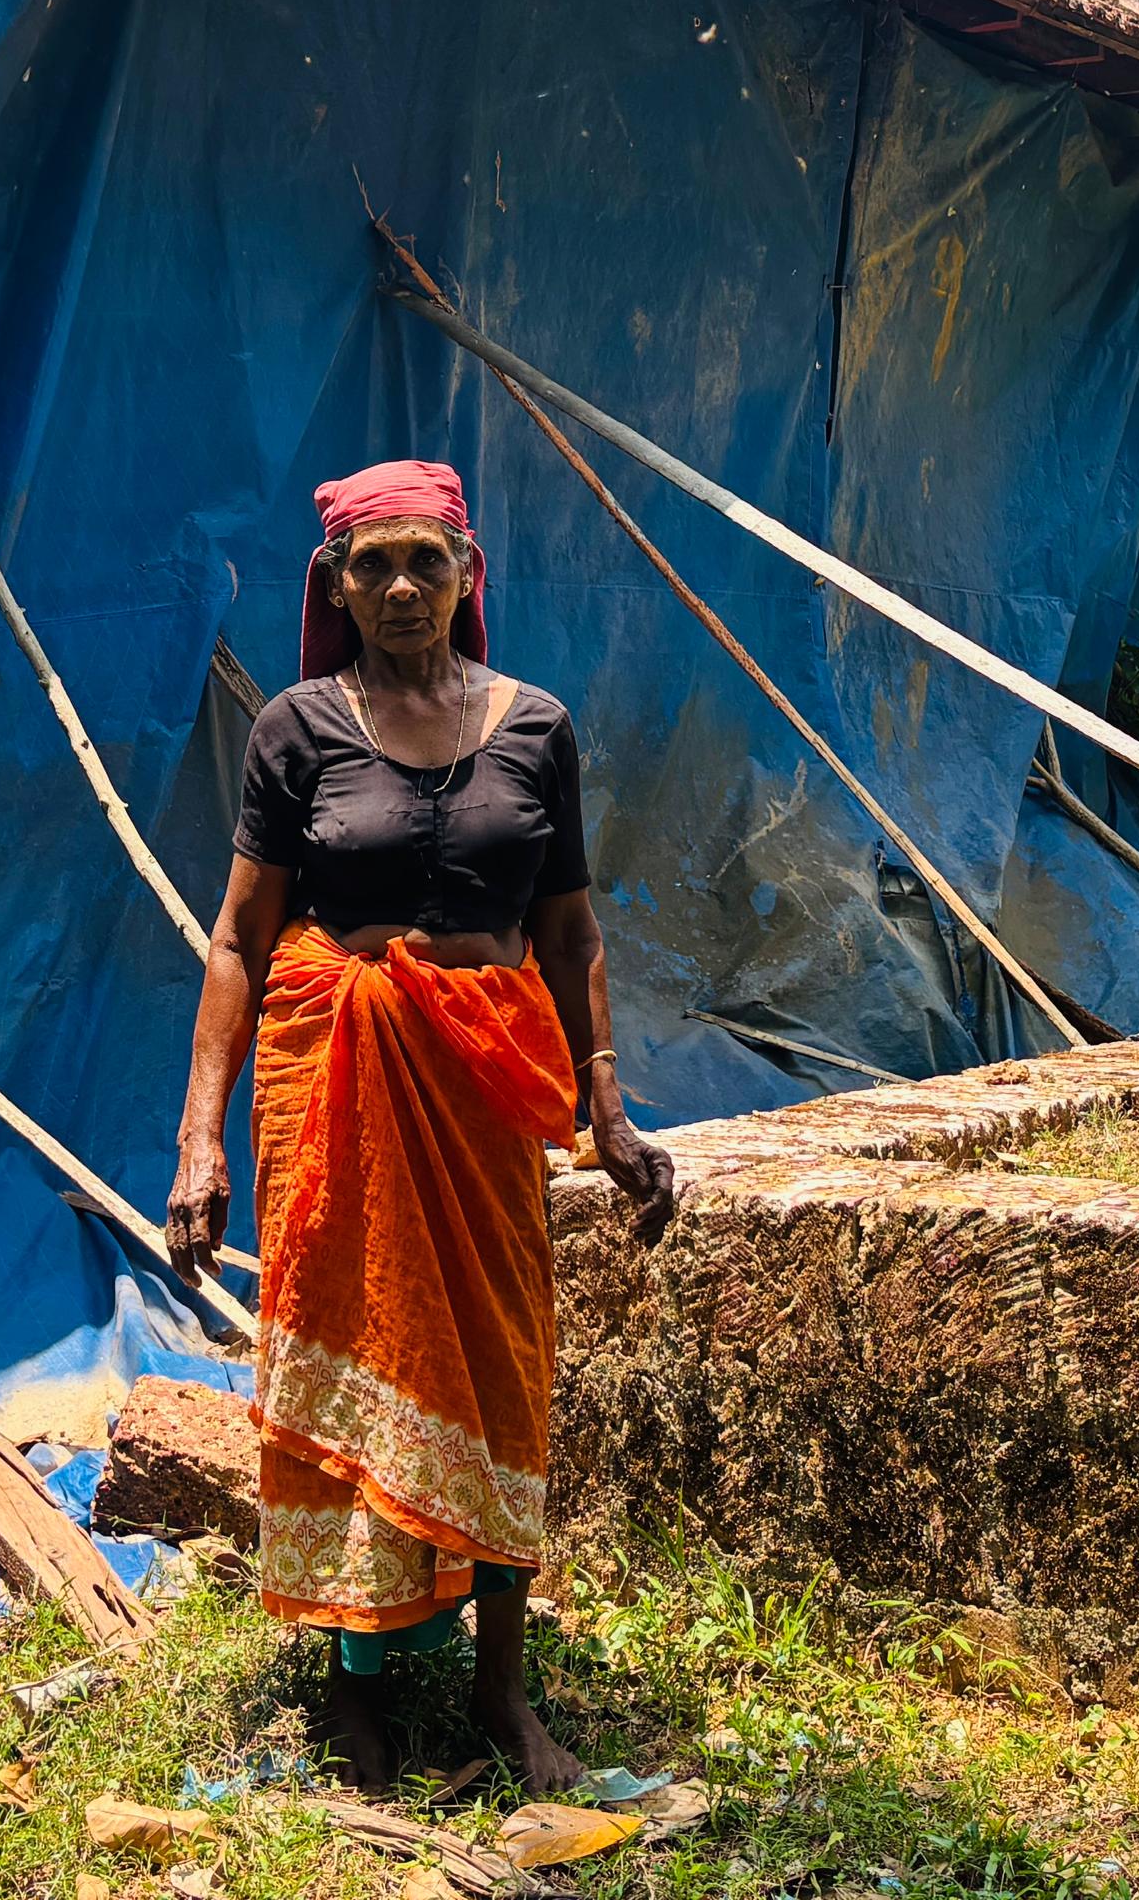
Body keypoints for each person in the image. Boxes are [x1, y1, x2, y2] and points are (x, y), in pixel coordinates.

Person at [167, 460, 677, 1797]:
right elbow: (239, 939)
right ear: (334, 584)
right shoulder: (297, 729)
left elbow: (569, 930)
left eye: (425, 562)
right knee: (359, 1351)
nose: (400, 588)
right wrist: (197, 1146)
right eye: (372, 564)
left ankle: (507, 1698)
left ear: (469, 574)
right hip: (340, 1081)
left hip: (486, 1090)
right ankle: (361, 1695)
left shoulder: (537, 728)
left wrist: (608, 1112)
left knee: (502, 1367)